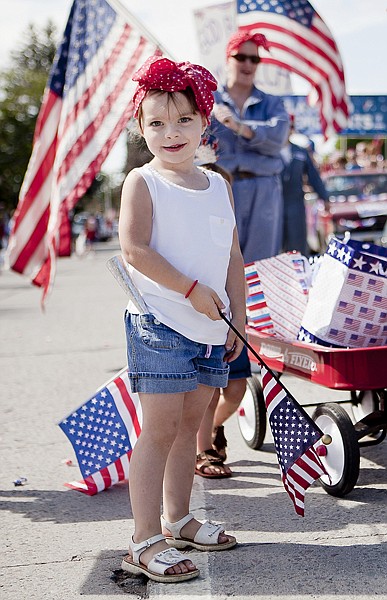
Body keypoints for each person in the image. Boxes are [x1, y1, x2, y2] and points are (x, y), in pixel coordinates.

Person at [118, 55, 246, 583]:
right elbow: (135, 250)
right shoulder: (142, 182)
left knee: (192, 422)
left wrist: (237, 315)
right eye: (156, 123)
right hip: (160, 323)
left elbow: (232, 254)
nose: (171, 133)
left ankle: (179, 517)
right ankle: (144, 538)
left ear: (204, 122)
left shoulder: (218, 184)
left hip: (212, 326)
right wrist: (191, 291)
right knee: (160, 429)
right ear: (141, 127)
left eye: (183, 120)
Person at [196, 31, 290, 478]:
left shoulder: (270, 102)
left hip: (264, 190)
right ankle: (205, 430)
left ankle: (248, 349)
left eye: (255, 58)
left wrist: (237, 126)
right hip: (222, 186)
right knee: (219, 271)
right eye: (242, 56)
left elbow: (277, 140)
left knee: (258, 279)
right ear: (228, 57)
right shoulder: (206, 98)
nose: (249, 64)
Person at [281, 117, 329, 256]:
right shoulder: (268, 151)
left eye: (289, 127)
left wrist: (324, 198)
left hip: (295, 205)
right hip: (272, 206)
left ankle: (299, 276)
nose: (286, 130)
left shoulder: (300, 152)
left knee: (297, 249)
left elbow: (314, 177)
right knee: (273, 248)